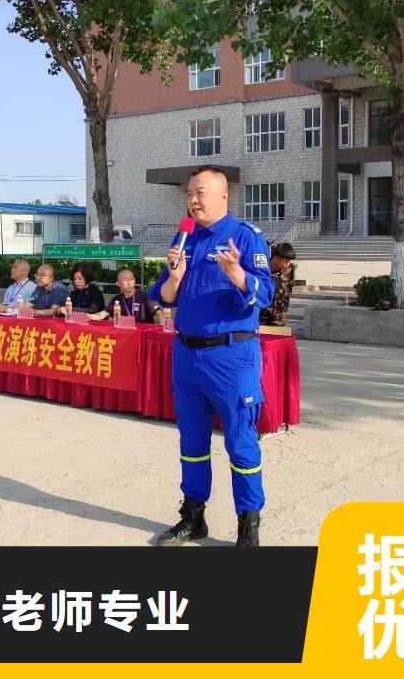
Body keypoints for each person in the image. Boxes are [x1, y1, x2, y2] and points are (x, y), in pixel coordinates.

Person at [148, 165, 275, 547]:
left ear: (223, 195)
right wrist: (174, 278)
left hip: (231, 357)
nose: (192, 200)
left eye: (199, 192)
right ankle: (193, 516)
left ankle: (248, 524)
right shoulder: (185, 237)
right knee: (192, 441)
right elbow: (162, 296)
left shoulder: (246, 236)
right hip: (187, 356)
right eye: (189, 193)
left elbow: (266, 294)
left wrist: (237, 273)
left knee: (240, 442)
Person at [87, 268, 162, 323]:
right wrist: (88, 316)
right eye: (126, 280)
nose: (129, 283)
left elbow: (159, 312)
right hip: (126, 334)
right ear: (118, 283)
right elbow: (102, 315)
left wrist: (162, 326)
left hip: (141, 334)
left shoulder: (143, 296)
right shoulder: (116, 300)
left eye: (131, 279)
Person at [260, 242, 296, 326]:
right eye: (286, 261)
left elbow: (288, 291)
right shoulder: (262, 269)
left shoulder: (288, 270)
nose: (288, 264)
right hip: (260, 315)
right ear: (276, 258)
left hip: (277, 316)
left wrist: (284, 310)